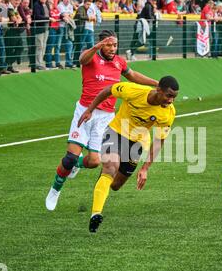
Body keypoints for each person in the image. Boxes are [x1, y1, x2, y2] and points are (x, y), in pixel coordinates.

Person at [45, 30, 159, 211]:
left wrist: (156, 83)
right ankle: (55, 190)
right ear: (101, 44)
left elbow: (133, 75)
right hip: (84, 111)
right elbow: (82, 60)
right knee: (69, 158)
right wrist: (96, 47)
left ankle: (78, 164)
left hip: (106, 118)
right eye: (109, 44)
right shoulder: (91, 57)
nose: (113, 48)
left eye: (115, 45)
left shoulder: (119, 62)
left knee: (94, 162)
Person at [77, 76, 179, 233]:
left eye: (174, 97)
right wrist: (90, 110)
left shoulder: (168, 113)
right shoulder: (133, 90)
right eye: (169, 95)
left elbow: (159, 140)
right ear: (158, 89)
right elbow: (108, 90)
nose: (171, 100)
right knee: (111, 167)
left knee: (116, 185)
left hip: (137, 144)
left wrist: (145, 168)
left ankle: (99, 177)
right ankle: (95, 213)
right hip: (115, 132)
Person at [6, 0, 23, 73]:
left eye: (19, 1)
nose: (17, 2)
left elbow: (20, 18)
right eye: (16, 0)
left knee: (20, 47)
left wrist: (18, 20)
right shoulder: (9, 8)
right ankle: (9, 66)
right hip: (9, 31)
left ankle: (9, 63)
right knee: (10, 50)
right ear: (11, 0)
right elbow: (14, 19)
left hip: (16, 31)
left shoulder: (14, 8)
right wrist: (18, 20)